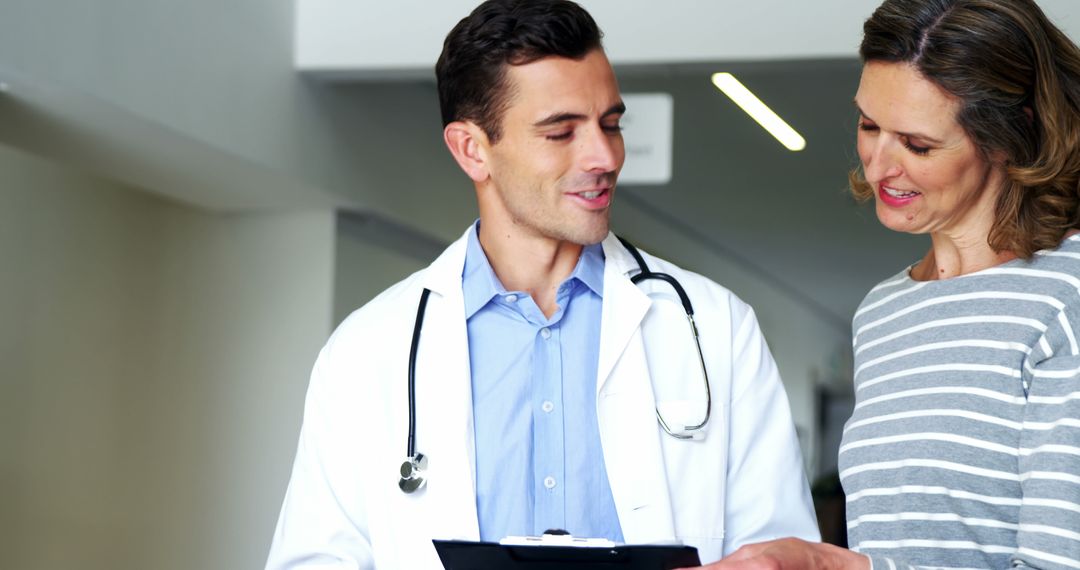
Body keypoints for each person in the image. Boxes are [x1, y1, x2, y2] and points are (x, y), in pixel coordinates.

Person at [264, 1, 818, 568]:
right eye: (561, 132)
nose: (604, 156)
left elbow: (780, 552)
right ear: (472, 149)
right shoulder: (367, 351)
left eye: (610, 124)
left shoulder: (716, 327)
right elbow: (316, 558)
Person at [684, 1, 1080, 569]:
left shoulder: (1065, 300)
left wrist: (836, 567)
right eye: (869, 125)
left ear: (1007, 136)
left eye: (917, 145)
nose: (877, 166)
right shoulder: (884, 312)